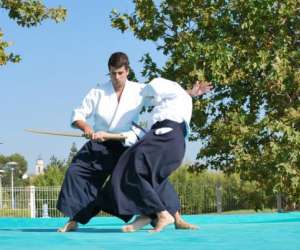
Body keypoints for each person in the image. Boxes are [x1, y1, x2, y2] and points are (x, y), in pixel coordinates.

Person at [57, 52, 210, 232]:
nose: (116, 77)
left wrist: (191, 93)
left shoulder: (139, 89)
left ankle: (176, 218)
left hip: (126, 142)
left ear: (127, 71)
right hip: (100, 142)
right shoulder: (97, 91)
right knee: (76, 172)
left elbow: (169, 95)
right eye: (113, 73)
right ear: (109, 71)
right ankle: (73, 220)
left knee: (149, 174)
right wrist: (87, 129)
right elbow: (78, 115)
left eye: (120, 73)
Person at [97, 77, 208, 232]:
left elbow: (152, 88)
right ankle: (176, 219)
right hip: (175, 142)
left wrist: (132, 92)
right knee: (156, 176)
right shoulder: (179, 101)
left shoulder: (171, 88)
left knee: (130, 167)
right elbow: (175, 95)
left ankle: (157, 213)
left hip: (164, 135)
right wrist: (190, 92)